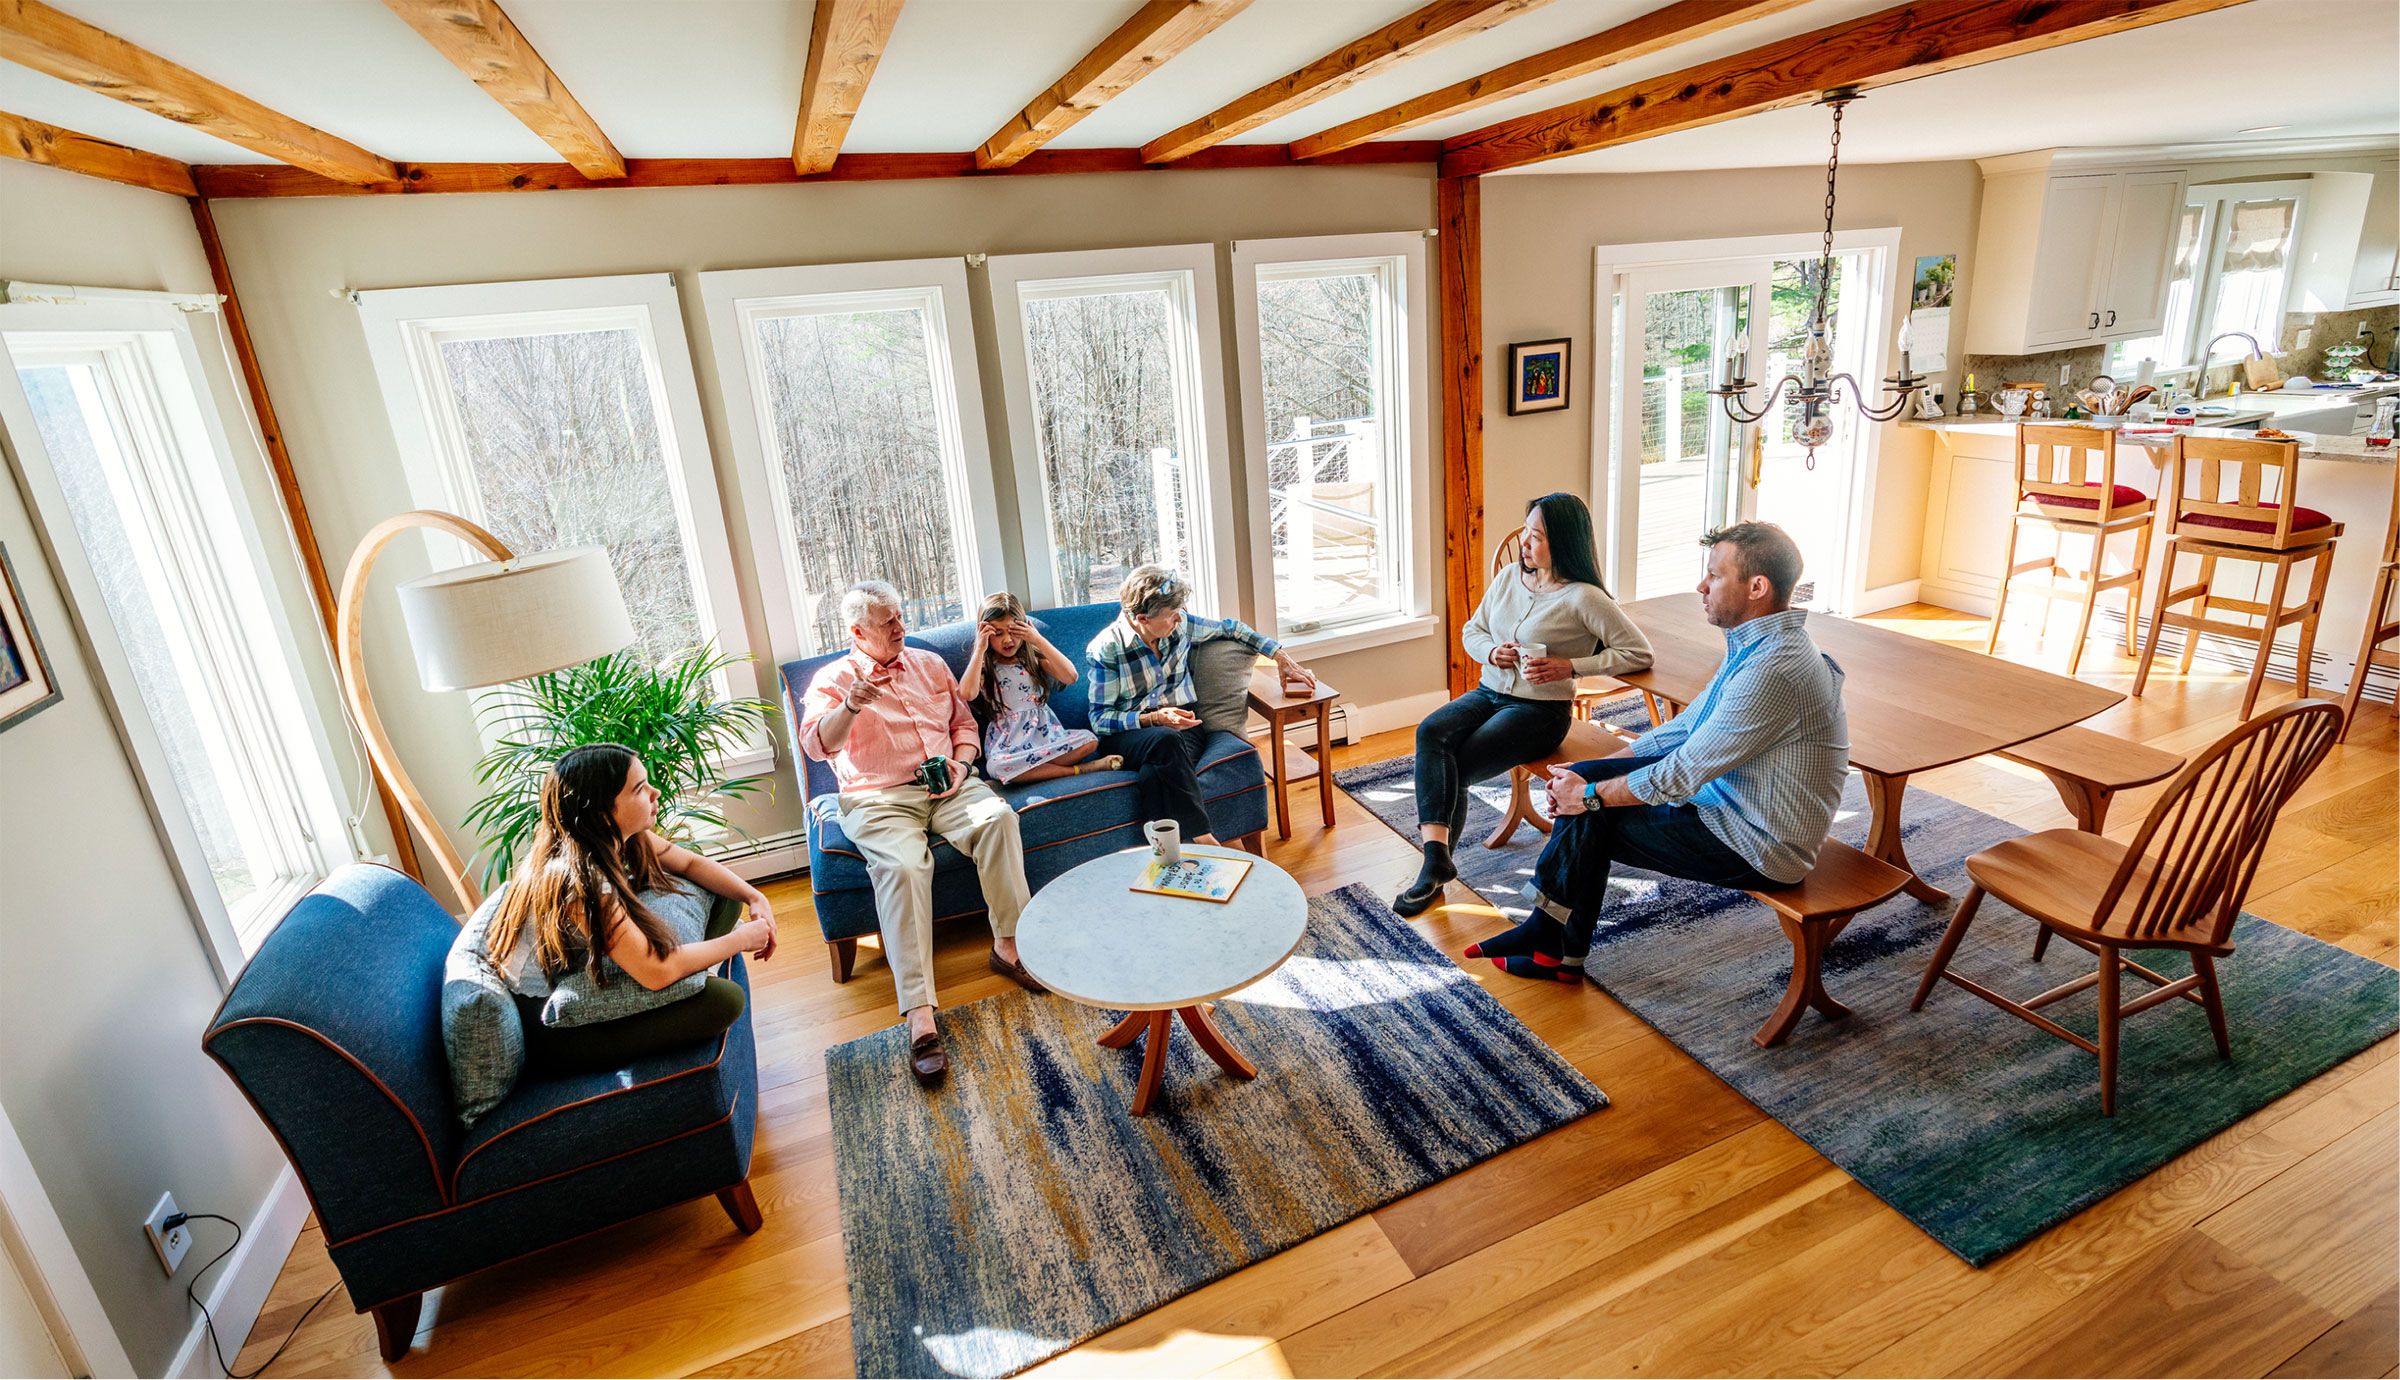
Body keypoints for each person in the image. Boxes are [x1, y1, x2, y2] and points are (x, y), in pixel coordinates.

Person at [1472, 521, 1849, 983]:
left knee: (1590, 811)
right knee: (1586, 781)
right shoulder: (1758, 644)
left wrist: (1589, 795)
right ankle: (1553, 945)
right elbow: (1687, 728)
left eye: (1714, 575)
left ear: (1757, 587)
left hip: (1758, 843)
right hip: (1730, 803)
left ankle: (1552, 943)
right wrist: (1599, 771)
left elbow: (1685, 771)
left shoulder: (1775, 669)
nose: (1701, 585)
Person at [799, 580, 1044, 1085]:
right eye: (887, 622)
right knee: (904, 867)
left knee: (998, 818)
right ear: (857, 631)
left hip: (949, 784)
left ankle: (1008, 946)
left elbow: (963, 725)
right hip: (878, 797)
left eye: (900, 616)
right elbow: (817, 747)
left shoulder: (929, 663)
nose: (900, 628)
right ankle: (920, 1016)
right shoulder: (832, 679)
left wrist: (962, 764)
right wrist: (850, 706)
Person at [1394, 493, 1654, 917]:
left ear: (1564, 544)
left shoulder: (1584, 598)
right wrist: (1492, 652)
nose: (1525, 545)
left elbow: (1638, 653)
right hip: (1489, 692)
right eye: (1525, 533)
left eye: (1535, 537)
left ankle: (1431, 873)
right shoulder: (1510, 578)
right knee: (1431, 732)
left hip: (1539, 712)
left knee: (1455, 762)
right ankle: (1437, 859)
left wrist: (1571, 666)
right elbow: (1472, 629)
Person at [484, 743, 777, 1069]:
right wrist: (741, 940)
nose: (655, 793)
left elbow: (691, 865)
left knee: (723, 898)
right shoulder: (581, 883)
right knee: (725, 1001)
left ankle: (695, 973)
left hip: (582, 965)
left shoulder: (615, 836)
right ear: (601, 812)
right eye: (640, 789)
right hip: (548, 1025)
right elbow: (656, 972)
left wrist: (755, 897)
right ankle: (697, 976)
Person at [1087, 565, 1315, 847]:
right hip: (1129, 736)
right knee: (1165, 738)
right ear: (1143, 619)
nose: (1179, 619)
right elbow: (1100, 720)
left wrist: (1280, 656)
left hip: (1184, 728)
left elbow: (1232, 629)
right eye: (1172, 615)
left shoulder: (1181, 626)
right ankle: (1204, 838)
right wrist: (1154, 719)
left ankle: (1165, 853)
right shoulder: (1108, 649)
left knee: (1154, 770)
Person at [958, 593, 1123, 784]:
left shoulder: (1032, 659)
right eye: (998, 633)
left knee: (1089, 740)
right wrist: (979, 648)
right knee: (995, 766)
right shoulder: (985, 668)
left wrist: (1037, 639)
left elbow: (1070, 676)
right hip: (1010, 746)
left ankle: (1026, 774)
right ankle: (1077, 770)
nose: (1007, 640)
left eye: (1013, 631)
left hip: (1048, 740)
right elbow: (967, 694)